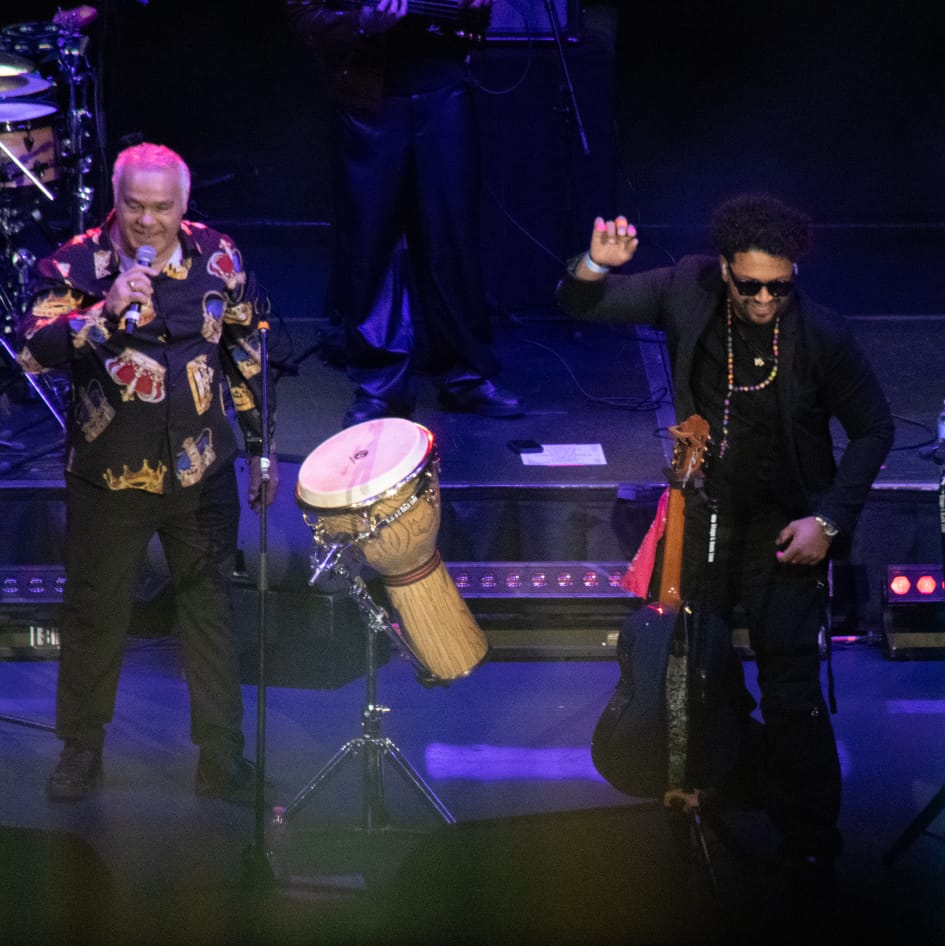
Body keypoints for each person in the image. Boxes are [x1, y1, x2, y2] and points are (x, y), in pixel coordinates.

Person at [557, 193, 896, 882]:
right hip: (704, 513)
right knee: (699, 668)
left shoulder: (823, 335)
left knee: (789, 681)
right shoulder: (686, 289)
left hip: (786, 525)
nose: (766, 298)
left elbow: (875, 429)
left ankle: (810, 832)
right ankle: (734, 781)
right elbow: (582, 305)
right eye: (751, 286)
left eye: (779, 285)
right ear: (725, 269)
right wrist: (595, 262)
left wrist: (827, 521)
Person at [17, 142, 280, 802]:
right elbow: (31, 352)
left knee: (211, 611)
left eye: (162, 207)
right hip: (109, 476)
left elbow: (245, 353)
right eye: (134, 205)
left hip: (201, 470)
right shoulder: (75, 263)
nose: (147, 221)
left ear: (184, 205)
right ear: (117, 199)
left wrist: (262, 447)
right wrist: (102, 312)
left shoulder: (219, 256)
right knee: (95, 614)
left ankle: (221, 755)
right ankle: (82, 749)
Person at [286, 0, 522, 425]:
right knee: (371, 243)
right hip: (369, 96)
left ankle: (465, 374)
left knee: (452, 237)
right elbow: (304, 16)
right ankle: (381, 385)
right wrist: (363, 21)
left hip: (444, 86)